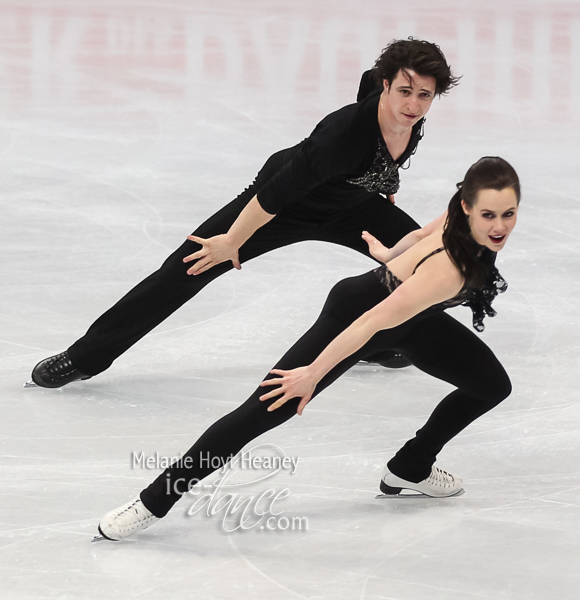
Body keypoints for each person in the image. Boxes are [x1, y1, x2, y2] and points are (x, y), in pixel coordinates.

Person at [95, 156, 520, 541]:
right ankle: (152, 502)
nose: (498, 226)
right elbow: (371, 323)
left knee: (490, 386)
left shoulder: (458, 216)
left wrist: (390, 253)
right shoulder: (448, 271)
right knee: (260, 412)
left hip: (409, 318)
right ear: (466, 207)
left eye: (508, 214)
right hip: (361, 314)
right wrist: (312, 374)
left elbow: (420, 232)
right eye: (488, 215)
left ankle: (410, 468)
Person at [29, 38, 460, 388]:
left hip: (350, 206)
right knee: (187, 268)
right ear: (386, 86)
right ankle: (85, 356)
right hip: (285, 205)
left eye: (425, 95)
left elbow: (382, 122)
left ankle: (380, 342)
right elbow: (276, 195)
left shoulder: (408, 113)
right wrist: (231, 241)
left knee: (436, 265)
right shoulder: (341, 137)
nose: (414, 104)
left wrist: (383, 186)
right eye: (404, 91)